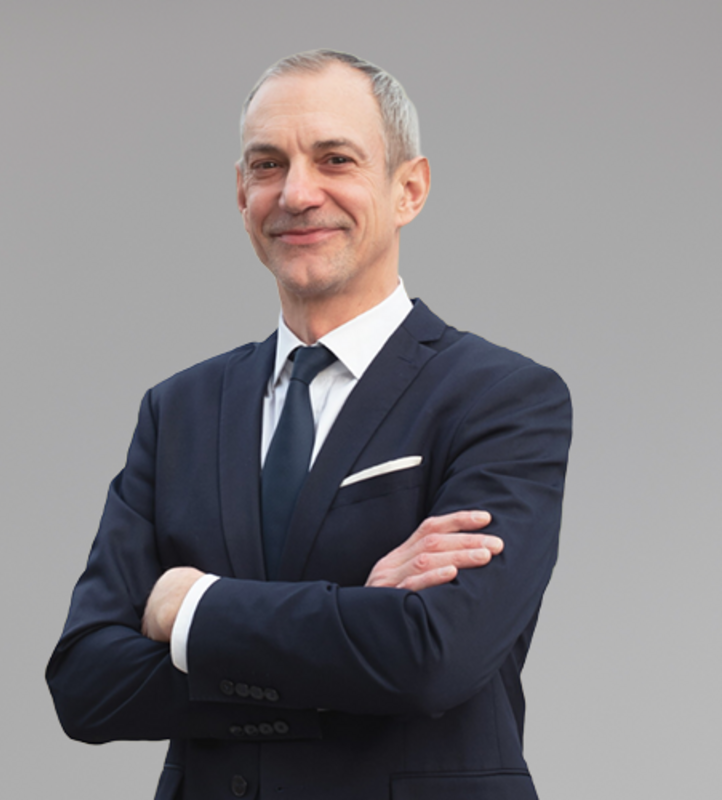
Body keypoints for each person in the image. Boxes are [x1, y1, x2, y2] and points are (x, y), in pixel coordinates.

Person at [47, 50, 572, 800]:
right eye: (268, 165)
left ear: (409, 189)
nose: (297, 193)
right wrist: (356, 625)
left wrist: (192, 608)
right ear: (241, 194)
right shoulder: (179, 410)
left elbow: (434, 657)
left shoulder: (503, 398)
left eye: (335, 159)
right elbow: (86, 683)